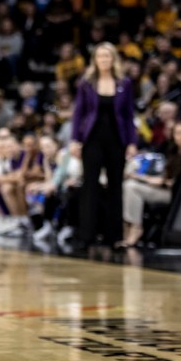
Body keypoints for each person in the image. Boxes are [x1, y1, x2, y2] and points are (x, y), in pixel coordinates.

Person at [70, 42, 138, 249]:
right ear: (95, 60)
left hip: (116, 139)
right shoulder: (86, 83)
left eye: (107, 56)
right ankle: (86, 235)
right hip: (92, 139)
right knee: (89, 185)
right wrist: (75, 139)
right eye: (100, 56)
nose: (104, 60)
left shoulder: (124, 83)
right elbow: (78, 113)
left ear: (113, 59)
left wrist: (132, 142)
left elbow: (128, 114)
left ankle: (114, 236)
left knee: (115, 186)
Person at [120, 120, 181, 247]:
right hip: (163, 188)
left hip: (177, 194)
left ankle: (135, 228)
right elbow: (162, 175)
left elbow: (174, 182)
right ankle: (129, 225)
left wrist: (149, 179)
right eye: (177, 133)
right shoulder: (169, 152)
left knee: (131, 186)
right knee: (128, 185)